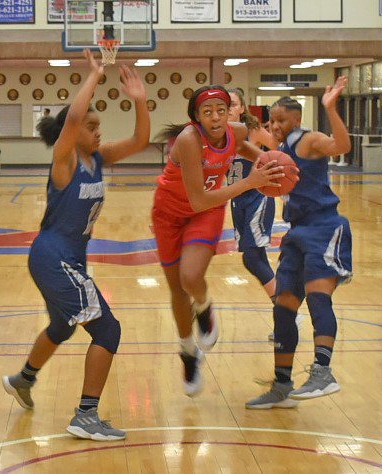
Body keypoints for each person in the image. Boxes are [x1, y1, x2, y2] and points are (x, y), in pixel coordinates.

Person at [2, 49, 150, 440]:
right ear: (73, 131)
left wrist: (139, 100)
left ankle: (23, 378)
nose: (98, 131)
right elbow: (72, 117)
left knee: (61, 327)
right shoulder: (64, 160)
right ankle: (85, 414)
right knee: (108, 331)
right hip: (54, 256)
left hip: (67, 259)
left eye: (99, 125)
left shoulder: (99, 158)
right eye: (91, 125)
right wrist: (95, 74)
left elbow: (140, 139)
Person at [153, 85, 284, 397]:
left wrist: (279, 167)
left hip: (205, 213)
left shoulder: (236, 133)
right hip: (171, 214)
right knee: (176, 290)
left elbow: (258, 158)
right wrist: (250, 182)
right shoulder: (188, 140)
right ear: (196, 117)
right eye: (207, 112)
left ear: (230, 113)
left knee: (190, 277)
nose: (215, 117)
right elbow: (197, 198)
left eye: (221, 111)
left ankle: (204, 305)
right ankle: (187, 352)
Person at [246, 76, 352, 409]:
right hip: (296, 234)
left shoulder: (309, 140)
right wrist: (230, 138)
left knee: (319, 299)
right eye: (271, 120)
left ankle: (323, 372)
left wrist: (331, 107)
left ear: (296, 120)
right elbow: (255, 155)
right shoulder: (280, 151)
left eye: (280, 120)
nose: (274, 125)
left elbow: (342, 146)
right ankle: (281, 386)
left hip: (324, 227)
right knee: (283, 309)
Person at [226, 88, 303, 342]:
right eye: (224, 104)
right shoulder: (218, 135)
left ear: (241, 108)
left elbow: (281, 153)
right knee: (253, 258)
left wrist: (287, 174)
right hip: (237, 199)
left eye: (232, 104)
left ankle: (286, 311)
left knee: (252, 256)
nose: (227, 108)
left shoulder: (254, 131)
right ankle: (285, 313)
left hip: (258, 197)